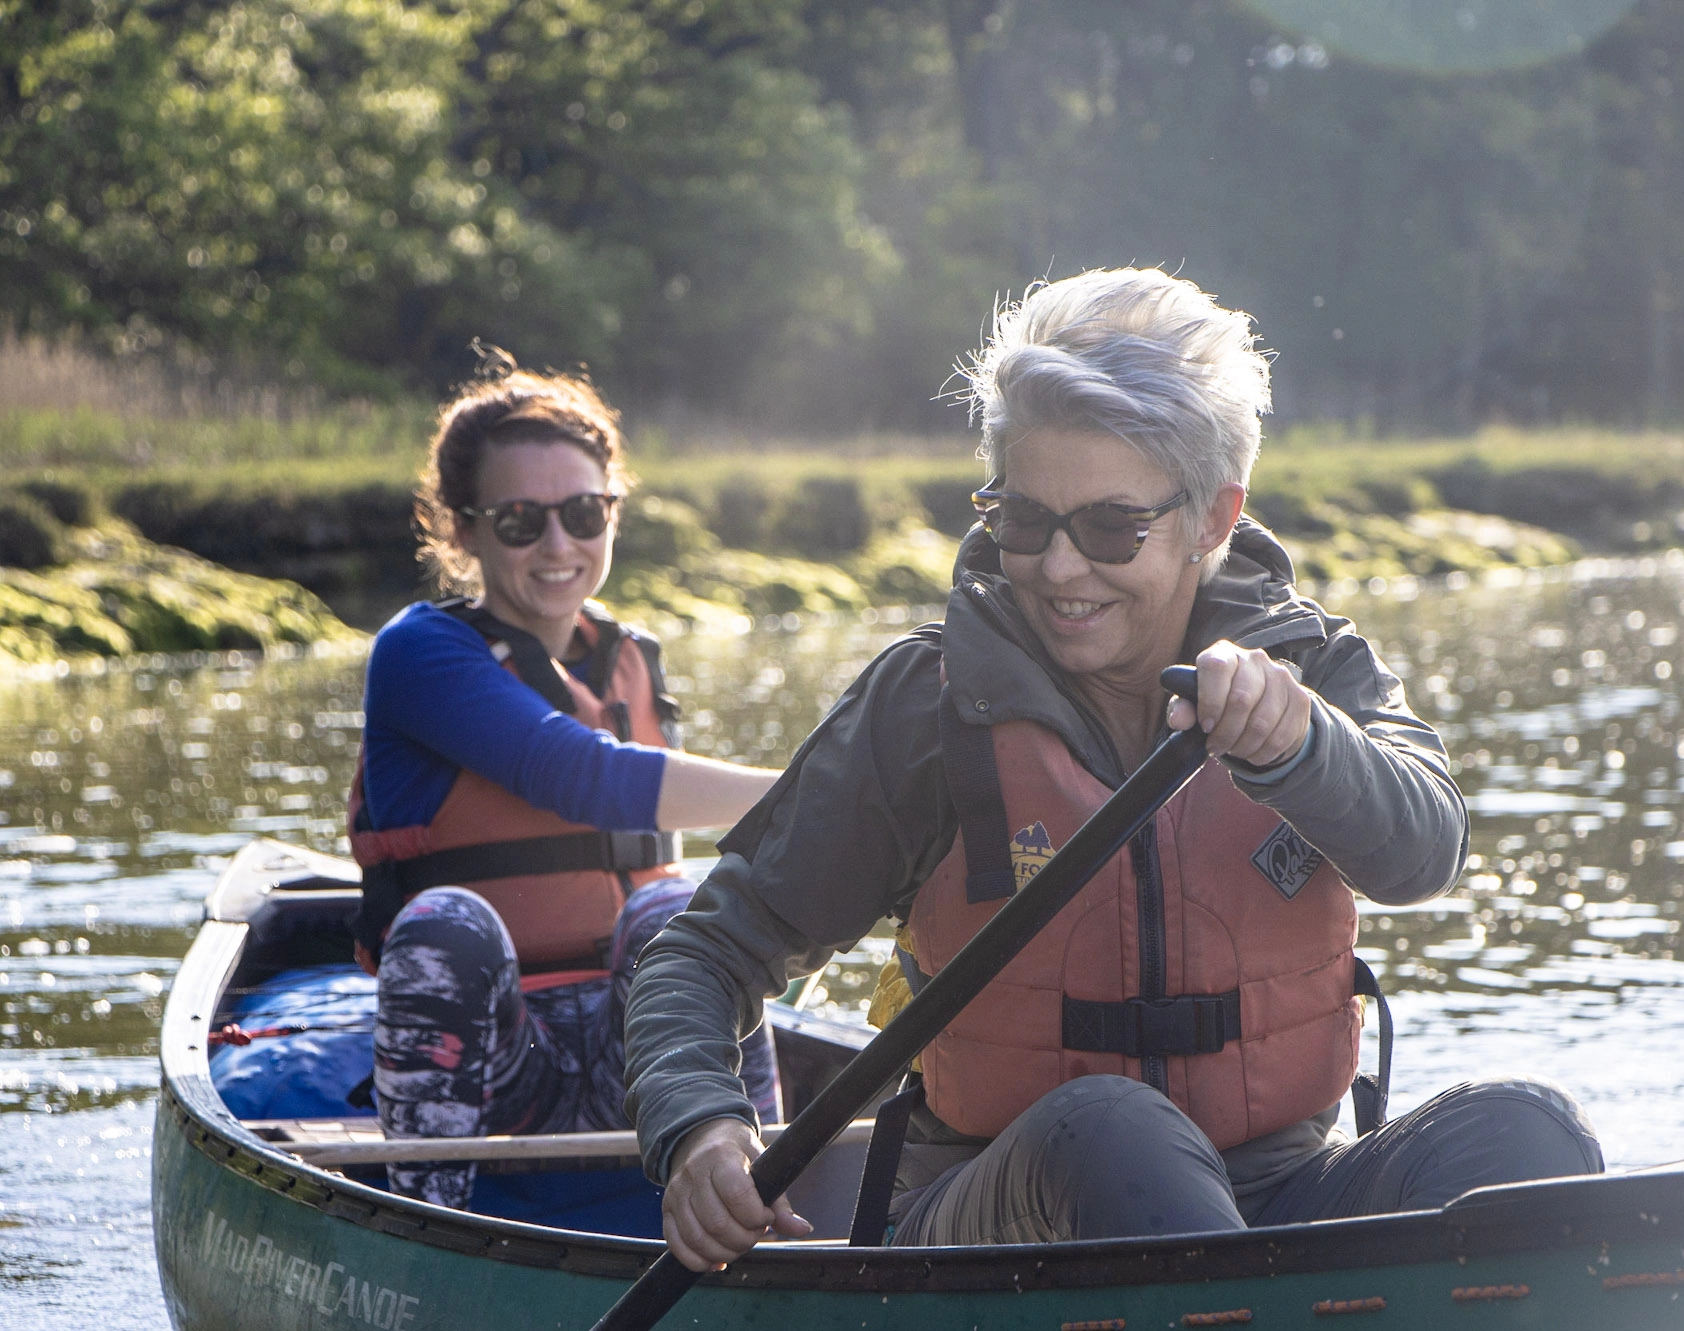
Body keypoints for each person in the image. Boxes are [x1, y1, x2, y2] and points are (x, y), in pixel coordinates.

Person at [625, 269, 1602, 1268]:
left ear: (1212, 520)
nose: (1057, 568)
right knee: (1114, 1132)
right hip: (1005, 1223)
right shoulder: (926, 705)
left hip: (1277, 1199)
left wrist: (1298, 746)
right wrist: (700, 1124)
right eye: (1021, 520)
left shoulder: (1314, 670)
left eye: (1106, 529)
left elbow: (1424, 853)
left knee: (1525, 1134)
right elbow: (704, 953)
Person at [347, 360, 782, 1209]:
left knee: (676, 909)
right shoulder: (418, 653)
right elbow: (582, 777)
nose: (558, 546)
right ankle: (427, 1222)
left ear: (611, 511)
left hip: (648, 1053)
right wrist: (829, 788)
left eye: (584, 514)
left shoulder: (631, 659)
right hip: (496, 1063)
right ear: (464, 531)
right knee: (447, 922)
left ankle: (759, 1198)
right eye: (519, 521)